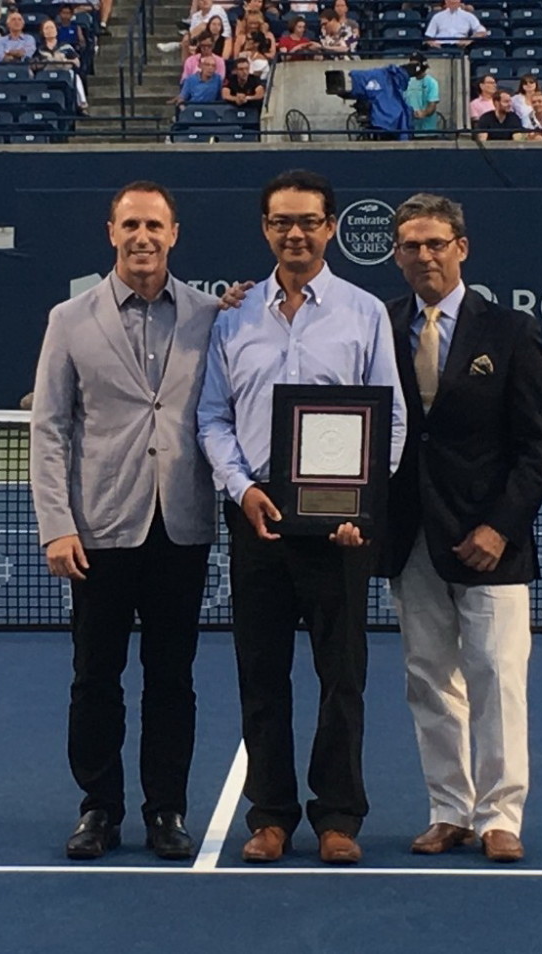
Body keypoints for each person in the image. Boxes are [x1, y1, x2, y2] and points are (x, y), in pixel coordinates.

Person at [197, 169, 407, 866]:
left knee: (342, 679)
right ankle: (271, 817)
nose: (295, 233)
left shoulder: (364, 312)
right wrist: (240, 489)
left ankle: (340, 817)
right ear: (266, 229)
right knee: (261, 677)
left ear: (331, 227)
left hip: (341, 531)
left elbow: (392, 420)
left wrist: (363, 506)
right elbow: (213, 418)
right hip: (257, 521)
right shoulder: (233, 316)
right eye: (282, 222)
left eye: (308, 221)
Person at [30, 181, 220, 862]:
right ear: (112, 232)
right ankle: (99, 808)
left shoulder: (210, 316)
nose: (143, 237)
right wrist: (57, 523)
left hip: (182, 527)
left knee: (172, 679)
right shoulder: (69, 319)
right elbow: (49, 428)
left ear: (174, 235)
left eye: (155, 226)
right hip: (98, 530)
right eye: (131, 224)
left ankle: (166, 809)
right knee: (94, 678)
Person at [381, 192, 542, 864]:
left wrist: (500, 527)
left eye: (436, 243)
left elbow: (537, 445)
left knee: (497, 675)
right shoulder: (382, 324)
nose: (424, 256)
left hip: (490, 542)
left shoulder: (511, 332)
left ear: (462, 247)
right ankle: (449, 810)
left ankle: (501, 816)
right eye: (411, 246)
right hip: (410, 534)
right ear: (396, 255)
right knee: (427, 675)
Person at [403, 52, 439, 135]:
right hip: (409, 130)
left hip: (427, 131)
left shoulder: (432, 82)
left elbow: (432, 104)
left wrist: (424, 113)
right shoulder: (406, 81)